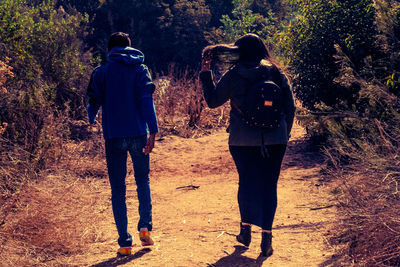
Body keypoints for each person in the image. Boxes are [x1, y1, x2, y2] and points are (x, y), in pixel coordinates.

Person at [199, 33, 295, 257]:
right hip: (276, 139)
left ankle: (245, 232)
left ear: (238, 51)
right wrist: (283, 134)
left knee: (247, 183)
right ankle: (267, 239)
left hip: (242, 140)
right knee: (269, 186)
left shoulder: (234, 75)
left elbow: (213, 101)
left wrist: (206, 73)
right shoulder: (276, 73)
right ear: (263, 50)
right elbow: (290, 108)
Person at [87, 32, 158, 255]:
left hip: (113, 136)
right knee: (142, 180)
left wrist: (91, 118)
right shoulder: (140, 69)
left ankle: (124, 243)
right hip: (138, 133)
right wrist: (152, 131)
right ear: (129, 47)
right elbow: (147, 101)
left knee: (118, 188)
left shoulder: (101, 72)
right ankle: (145, 227)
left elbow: (92, 100)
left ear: (109, 50)